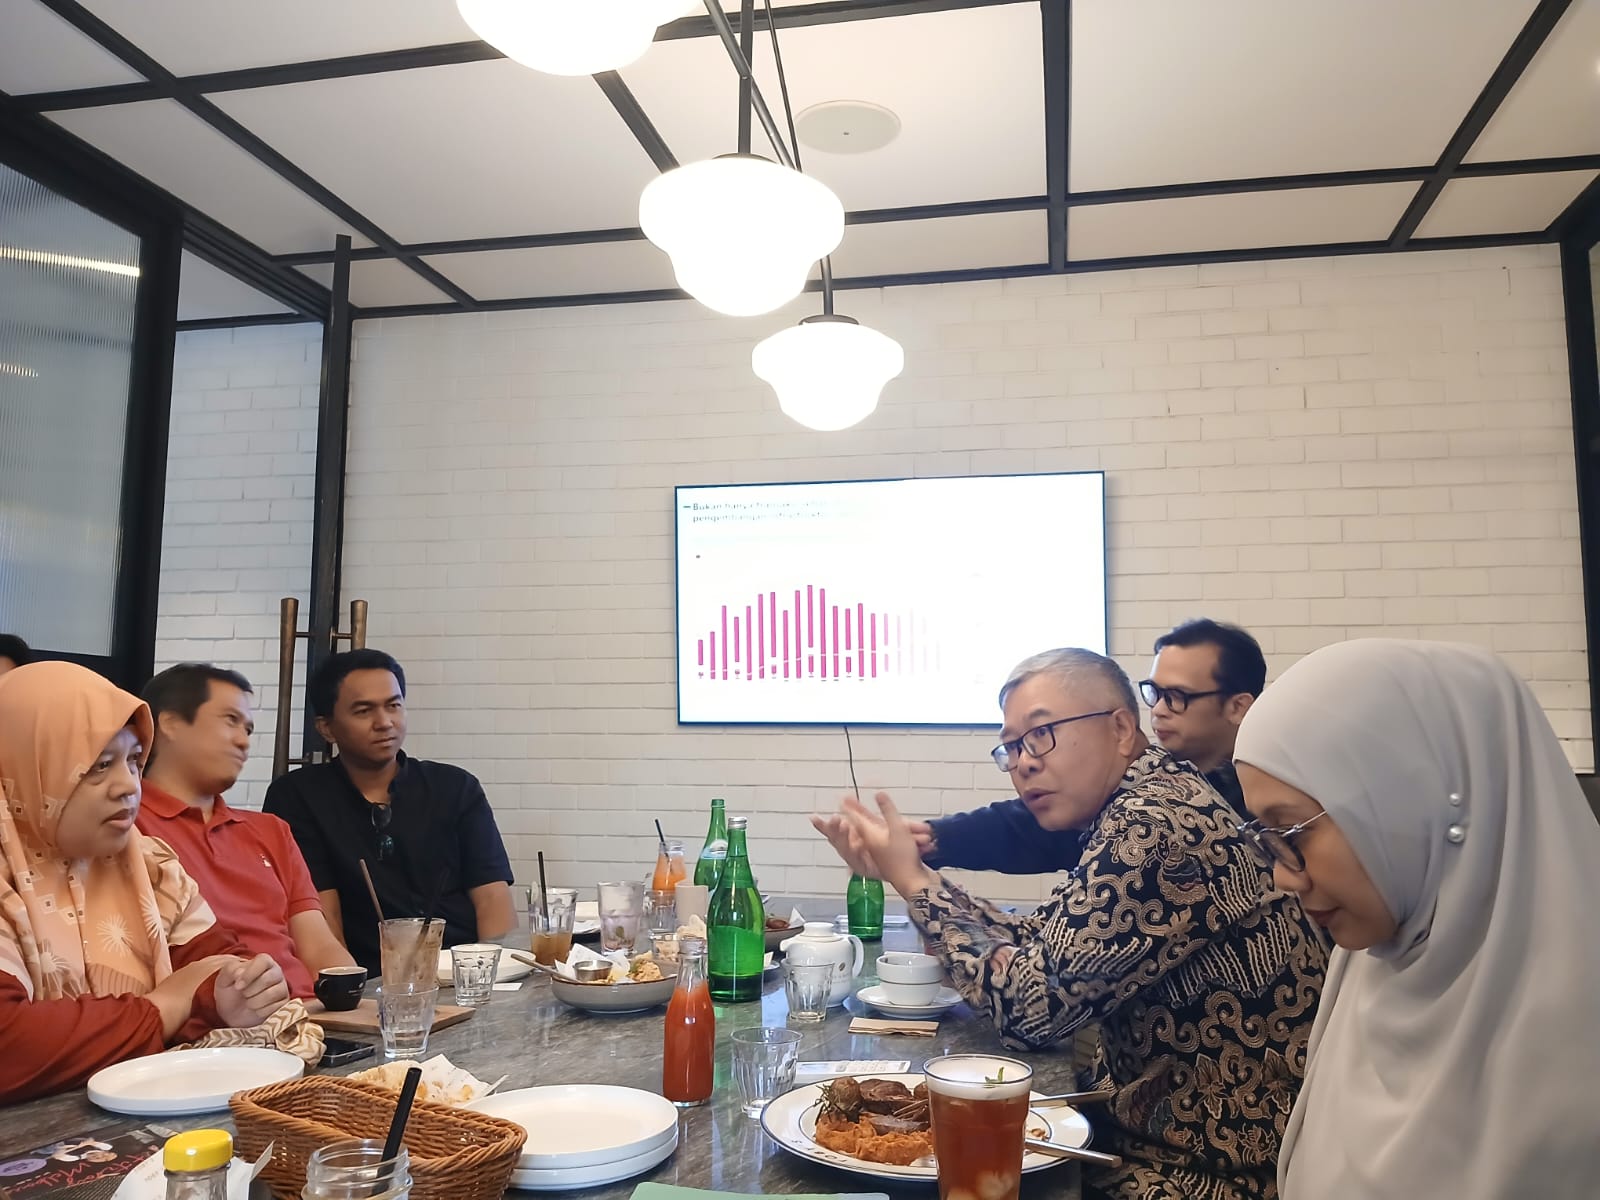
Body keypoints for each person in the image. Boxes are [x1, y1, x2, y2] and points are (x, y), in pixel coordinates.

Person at [815, 647, 1326, 1200]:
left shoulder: (1154, 827)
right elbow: (1041, 943)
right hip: (1153, 1146)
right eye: (1012, 747)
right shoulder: (1145, 802)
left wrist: (914, 881)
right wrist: (918, 880)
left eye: (1041, 734)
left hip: (1198, 1179)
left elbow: (1028, 1012)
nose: (1024, 762)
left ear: (1121, 728)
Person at [1232, 639, 1599, 1200]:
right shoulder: (1371, 967)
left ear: (1416, 805)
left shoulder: (1575, 1053)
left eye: (1293, 833)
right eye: (1266, 838)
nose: (1284, 877)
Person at [0, 662, 290, 1105]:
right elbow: (10, 1046)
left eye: (134, 760)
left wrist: (233, 994)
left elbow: (217, 966)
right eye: (99, 765)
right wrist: (163, 1008)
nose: (128, 786)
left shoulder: (148, 865)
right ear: (26, 766)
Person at [912, 618, 1265, 873]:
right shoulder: (1147, 787)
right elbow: (1029, 826)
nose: (1157, 709)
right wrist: (933, 837)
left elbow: (1048, 956)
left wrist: (918, 884)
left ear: (1238, 707)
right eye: (1154, 693)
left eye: (1176, 696)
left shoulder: (1162, 819)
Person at [264, 649, 515, 973]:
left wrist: (491, 977)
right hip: (368, 980)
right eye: (363, 711)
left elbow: (492, 898)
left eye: (394, 705)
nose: (384, 723)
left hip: (463, 973)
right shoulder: (297, 796)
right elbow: (321, 917)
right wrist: (348, 989)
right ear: (326, 728)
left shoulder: (455, 787)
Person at [137, 663, 357, 999]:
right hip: (216, 1017)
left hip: (308, 1013)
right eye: (230, 720)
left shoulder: (271, 831)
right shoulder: (127, 826)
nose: (243, 741)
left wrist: (356, 1002)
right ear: (170, 724)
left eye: (248, 730)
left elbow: (319, 946)